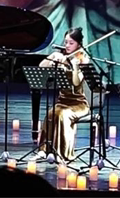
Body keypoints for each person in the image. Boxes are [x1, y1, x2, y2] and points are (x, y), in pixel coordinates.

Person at [35, 28, 90, 164]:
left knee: (62, 115)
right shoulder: (61, 56)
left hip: (78, 104)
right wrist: (52, 59)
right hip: (62, 101)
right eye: (66, 42)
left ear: (78, 44)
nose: (67, 46)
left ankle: (62, 154)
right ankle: (43, 150)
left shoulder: (83, 59)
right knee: (50, 114)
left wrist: (76, 66)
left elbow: (76, 82)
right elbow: (41, 66)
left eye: (71, 43)